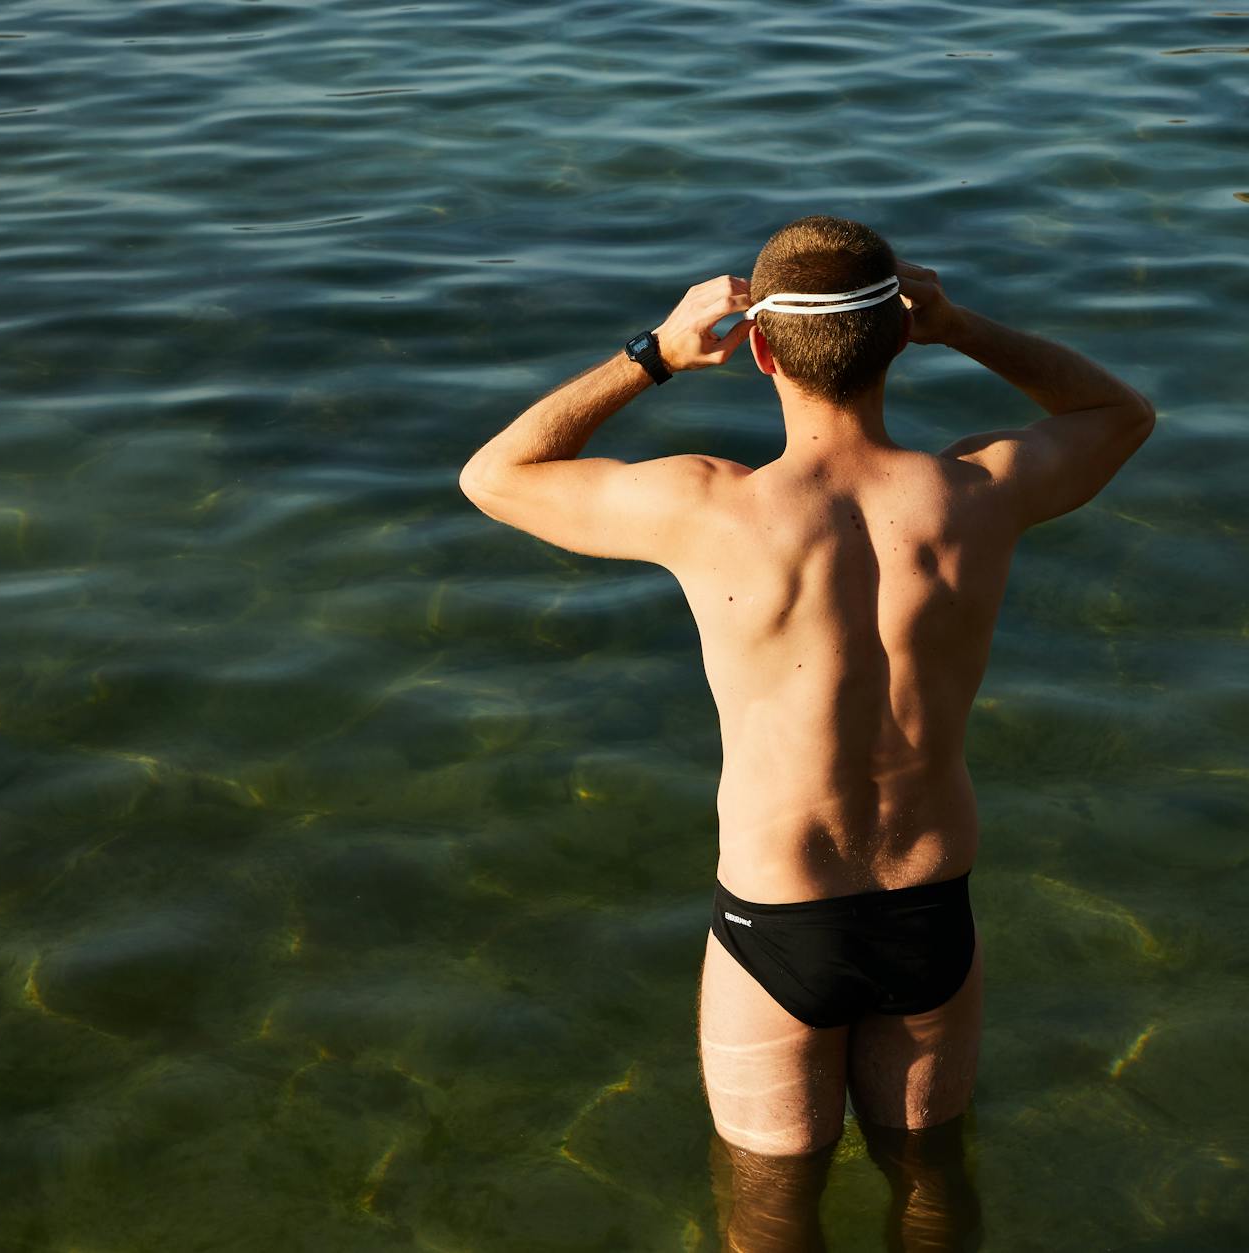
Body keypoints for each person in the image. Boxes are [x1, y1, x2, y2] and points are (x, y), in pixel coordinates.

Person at [458, 214, 1154, 1243]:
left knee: (770, 1210)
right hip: (929, 906)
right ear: (898, 336)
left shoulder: (708, 507)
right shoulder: (976, 491)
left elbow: (493, 475)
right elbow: (1119, 412)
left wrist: (654, 353)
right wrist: (963, 325)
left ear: (761, 352)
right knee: (931, 1186)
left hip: (777, 920)